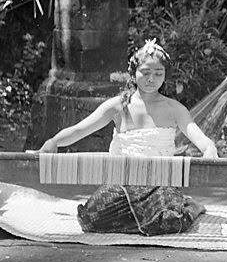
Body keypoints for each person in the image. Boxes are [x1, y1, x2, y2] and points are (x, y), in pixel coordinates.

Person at [39, 39, 216, 234]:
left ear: (165, 76)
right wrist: (53, 142)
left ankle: (190, 206)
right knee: (89, 221)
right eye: (145, 72)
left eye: (158, 74)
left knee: (172, 222)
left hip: (159, 183)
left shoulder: (175, 109)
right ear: (133, 73)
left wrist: (210, 149)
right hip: (121, 181)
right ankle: (139, 219)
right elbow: (80, 129)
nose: (151, 79)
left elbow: (200, 138)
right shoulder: (118, 106)